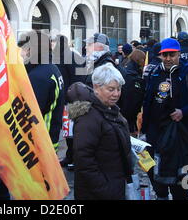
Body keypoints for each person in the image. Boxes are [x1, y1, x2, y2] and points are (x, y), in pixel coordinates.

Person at [142, 38, 188, 200]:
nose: (168, 58)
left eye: (172, 54)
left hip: (183, 136)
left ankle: (184, 196)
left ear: (179, 54)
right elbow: (147, 101)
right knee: (154, 171)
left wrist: (183, 111)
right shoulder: (154, 73)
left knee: (184, 179)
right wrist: (143, 129)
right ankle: (161, 195)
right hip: (157, 135)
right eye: (165, 55)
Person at [67, 64, 132, 200]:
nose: (116, 94)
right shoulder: (89, 117)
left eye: (119, 89)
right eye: (111, 89)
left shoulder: (109, 109)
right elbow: (84, 160)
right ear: (96, 87)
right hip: (99, 193)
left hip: (113, 184)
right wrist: (105, 190)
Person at [18, 31, 65, 151]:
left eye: (23, 49)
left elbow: (28, 113)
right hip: (49, 139)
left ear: (30, 50)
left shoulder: (38, 76)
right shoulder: (51, 68)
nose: (21, 53)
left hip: (38, 143)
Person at [51, 34, 85, 171]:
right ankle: (70, 156)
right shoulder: (72, 55)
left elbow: (68, 79)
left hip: (71, 100)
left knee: (72, 132)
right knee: (71, 131)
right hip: (76, 97)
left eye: (54, 43)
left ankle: (73, 158)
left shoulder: (64, 57)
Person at [119, 49, 146, 133]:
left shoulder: (124, 69)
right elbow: (134, 101)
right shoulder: (135, 77)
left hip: (121, 112)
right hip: (129, 118)